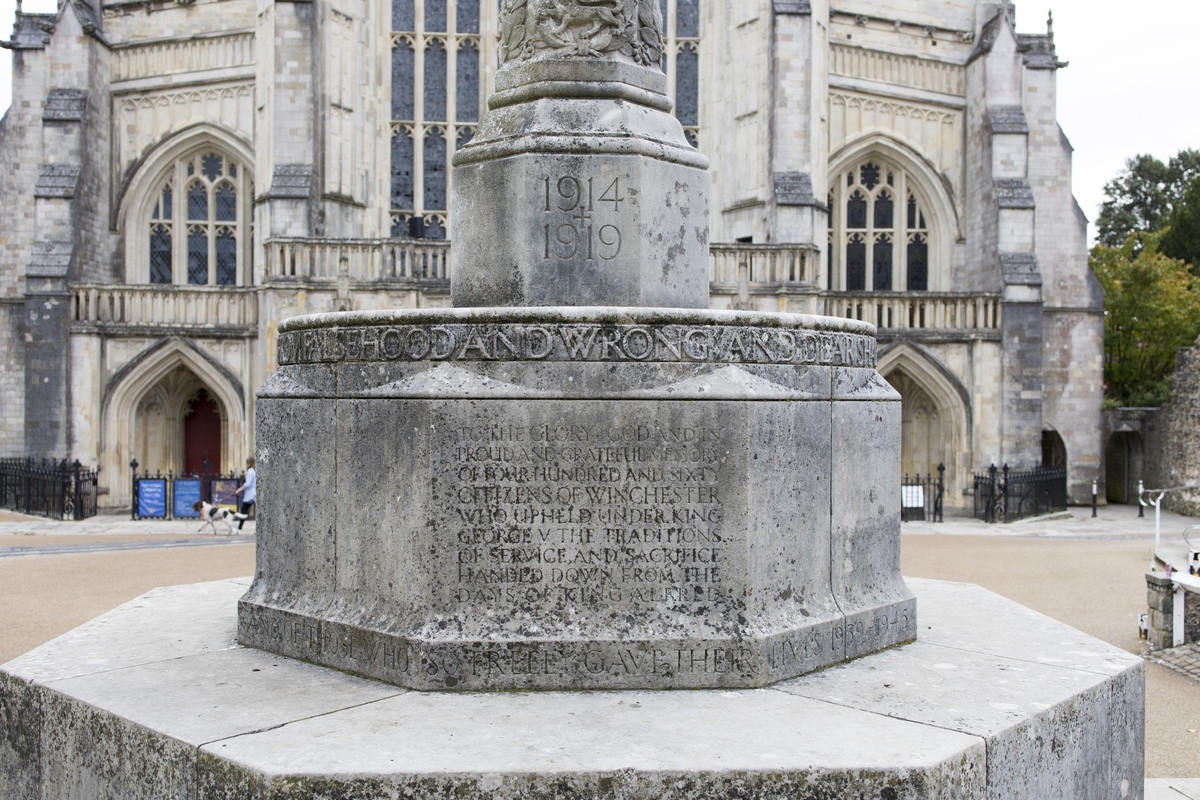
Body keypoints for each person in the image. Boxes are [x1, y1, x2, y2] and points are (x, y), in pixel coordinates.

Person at [234, 457, 256, 530]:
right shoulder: (253, 471)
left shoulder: (250, 471)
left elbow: (248, 483)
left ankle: (239, 527)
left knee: (243, 510)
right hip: (253, 494)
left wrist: (239, 490)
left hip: (250, 495)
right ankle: (240, 527)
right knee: (245, 510)